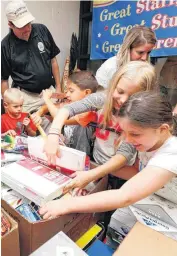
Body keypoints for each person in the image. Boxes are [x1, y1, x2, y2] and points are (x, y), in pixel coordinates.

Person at [39, 91, 177, 220]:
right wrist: (91, 171)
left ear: (163, 129)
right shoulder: (149, 141)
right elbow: (136, 172)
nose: (127, 140)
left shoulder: (170, 154)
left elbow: (124, 196)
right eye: (123, 132)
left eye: (135, 134)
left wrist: (66, 205)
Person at [43, 61, 157, 169]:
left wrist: (93, 173)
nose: (123, 100)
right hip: (97, 161)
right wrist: (53, 134)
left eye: (132, 96)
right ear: (113, 86)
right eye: (120, 91)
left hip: (120, 169)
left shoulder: (140, 117)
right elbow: (67, 109)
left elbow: (124, 155)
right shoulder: (102, 99)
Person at [1, 1, 61, 113]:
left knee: (54, 126)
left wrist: (58, 87)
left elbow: (53, 60)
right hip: (25, 97)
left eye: (28, 23)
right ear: (10, 25)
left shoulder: (42, 30)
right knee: (26, 128)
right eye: (21, 26)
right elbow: (4, 80)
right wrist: (8, 105)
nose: (27, 29)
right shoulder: (5, 45)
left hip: (48, 92)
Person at [32, 71, 98, 157]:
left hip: (81, 157)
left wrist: (47, 99)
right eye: (67, 91)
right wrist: (38, 114)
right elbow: (49, 107)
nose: (67, 94)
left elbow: (60, 117)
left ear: (87, 93)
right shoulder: (70, 105)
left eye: (71, 91)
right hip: (68, 153)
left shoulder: (90, 112)